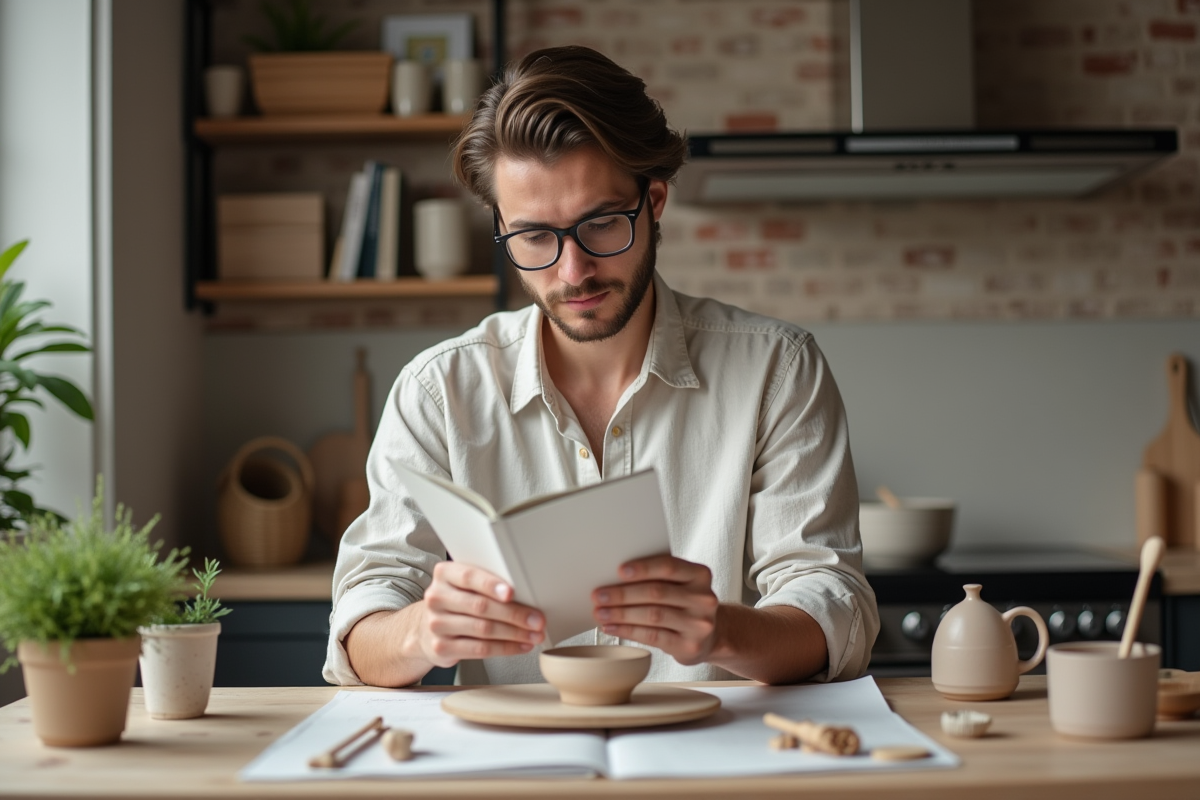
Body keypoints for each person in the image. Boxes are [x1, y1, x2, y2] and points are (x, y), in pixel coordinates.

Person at [323, 45, 878, 689]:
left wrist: (722, 631)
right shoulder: (439, 392)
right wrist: (422, 631)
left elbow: (833, 605)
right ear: (500, 228)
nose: (572, 271)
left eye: (602, 223)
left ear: (656, 200)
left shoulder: (778, 370)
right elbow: (361, 625)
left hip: (713, 771)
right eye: (534, 236)